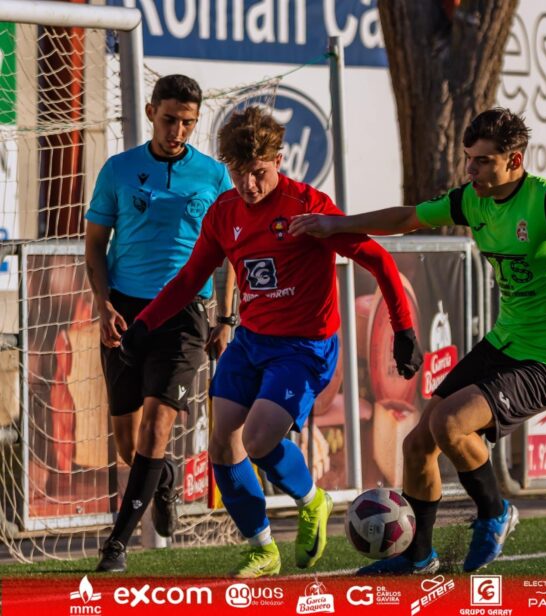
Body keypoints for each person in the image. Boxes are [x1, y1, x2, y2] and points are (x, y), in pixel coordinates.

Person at [289, 107, 546, 574]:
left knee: (450, 426)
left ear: (514, 161)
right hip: (504, 341)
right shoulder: (472, 200)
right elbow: (410, 216)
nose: (471, 170)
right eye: (468, 159)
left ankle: (495, 512)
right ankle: (419, 557)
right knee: (417, 444)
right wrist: (337, 224)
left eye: (482, 161)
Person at [118, 106, 423, 578]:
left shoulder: (308, 206)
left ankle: (312, 500)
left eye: (258, 173)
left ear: (279, 160)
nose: (248, 185)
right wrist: (144, 324)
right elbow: (189, 279)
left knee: (258, 440)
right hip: (251, 341)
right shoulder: (224, 213)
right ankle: (262, 547)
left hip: (304, 347)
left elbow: (378, 259)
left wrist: (403, 329)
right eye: (238, 173)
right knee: (223, 443)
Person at [85, 75, 233, 572]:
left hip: (185, 315)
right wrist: (104, 305)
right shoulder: (119, 170)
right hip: (126, 313)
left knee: (155, 427)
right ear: (151, 112)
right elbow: (94, 245)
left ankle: (116, 544)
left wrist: (226, 317)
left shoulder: (213, 176)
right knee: (130, 447)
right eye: (170, 119)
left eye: (188, 123)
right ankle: (164, 476)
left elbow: (229, 251)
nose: (178, 131)